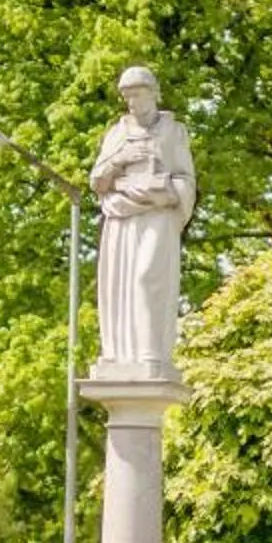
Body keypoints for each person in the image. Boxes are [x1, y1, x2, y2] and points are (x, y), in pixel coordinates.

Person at [88, 65, 196, 379]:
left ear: (153, 93)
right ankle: (121, 354)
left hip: (157, 215)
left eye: (137, 94)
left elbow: (186, 180)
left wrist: (162, 191)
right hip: (122, 217)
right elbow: (97, 180)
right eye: (126, 96)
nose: (132, 102)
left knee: (148, 276)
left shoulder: (173, 131)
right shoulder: (117, 133)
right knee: (120, 282)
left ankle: (151, 351)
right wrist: (120, 161)